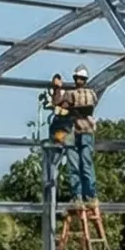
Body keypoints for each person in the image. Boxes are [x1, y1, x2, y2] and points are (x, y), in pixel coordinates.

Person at [40, 68, 99, 207]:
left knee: (86, 165)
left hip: (84, 131)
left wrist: (70, 107)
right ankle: (78, 196)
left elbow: (84, 106)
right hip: (71, 132)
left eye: (81, 78)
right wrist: (57, 89)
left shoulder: (89, 94)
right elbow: (58, 103)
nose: (79, 81)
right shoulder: (71, 93)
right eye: (77, 78)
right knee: (74, 166)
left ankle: (90, 196)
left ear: (85, 80)